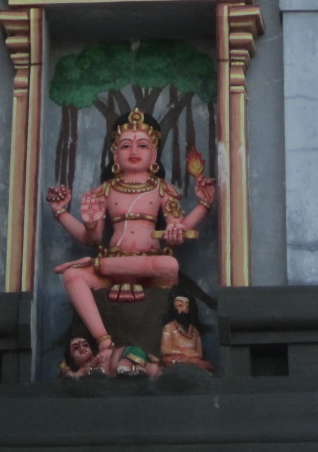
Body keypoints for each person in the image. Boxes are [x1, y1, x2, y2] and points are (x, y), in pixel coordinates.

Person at [46, 108, 214, 373]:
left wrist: (203, 205)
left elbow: (178, 231)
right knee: (72, 277)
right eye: (125, 145)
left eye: (142, 145)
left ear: (154, 155)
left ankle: (96, 265)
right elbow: (90, 238)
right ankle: (103, 341)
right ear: (115, 155)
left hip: (149, 266)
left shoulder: (162, 189)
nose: (133, 150)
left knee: (169, 264)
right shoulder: (105, 190)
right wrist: (63, 213)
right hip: (113, 265)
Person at [158, 288, 213, 372]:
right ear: (173, 308)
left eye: (187, 306)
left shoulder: (195, 331)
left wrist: (191, 354)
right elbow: (164, 350)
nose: (184, 309)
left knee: (204, 365)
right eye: (180, 305)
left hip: (193, 362)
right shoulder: (169, 327)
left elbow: (199, 354)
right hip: (175, 360)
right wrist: (183, 353)